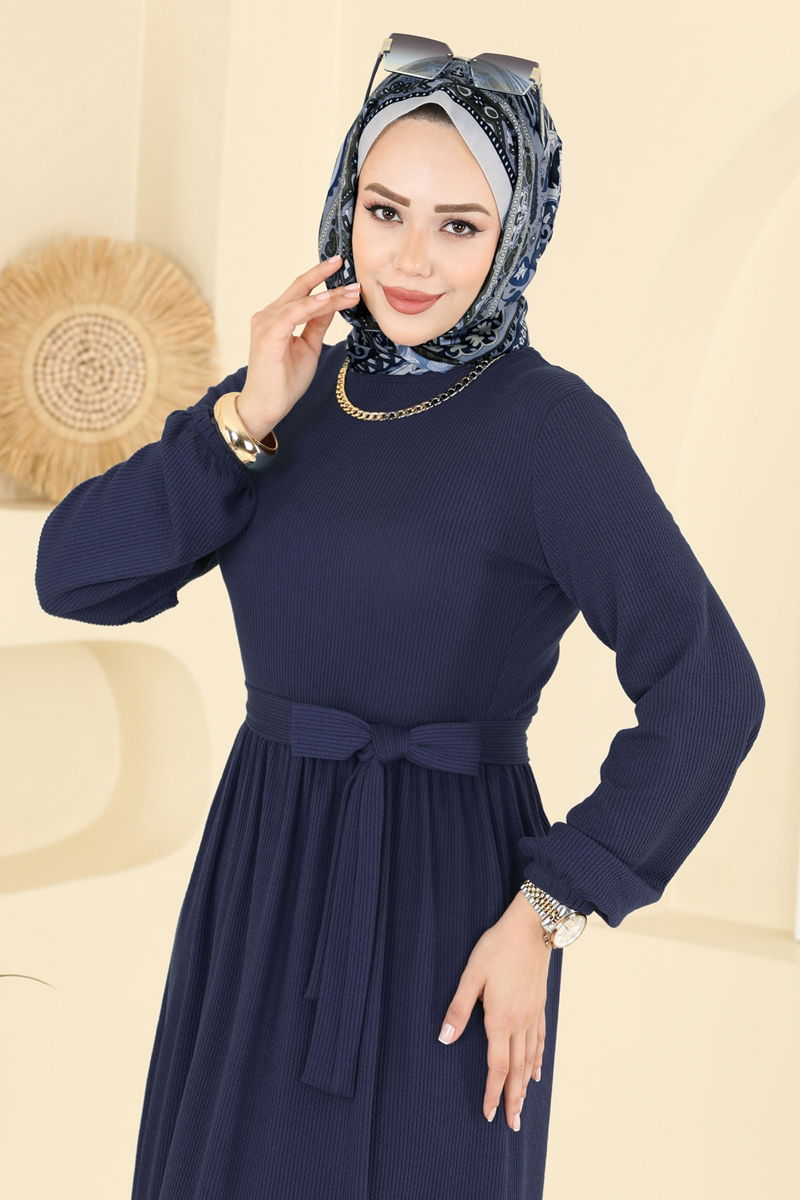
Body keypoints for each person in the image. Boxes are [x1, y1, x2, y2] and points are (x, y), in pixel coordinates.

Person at [34, 34, 766, 1200]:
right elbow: (72, 575)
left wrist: (548, 910)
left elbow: (709, 689)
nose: (412, 259)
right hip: (260, 880)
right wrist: (241, 420)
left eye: (458, 225)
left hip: (447, 904)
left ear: (513, 233)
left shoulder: (550, 429)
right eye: (385, 212)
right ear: (345, 210)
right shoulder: (289, 393)